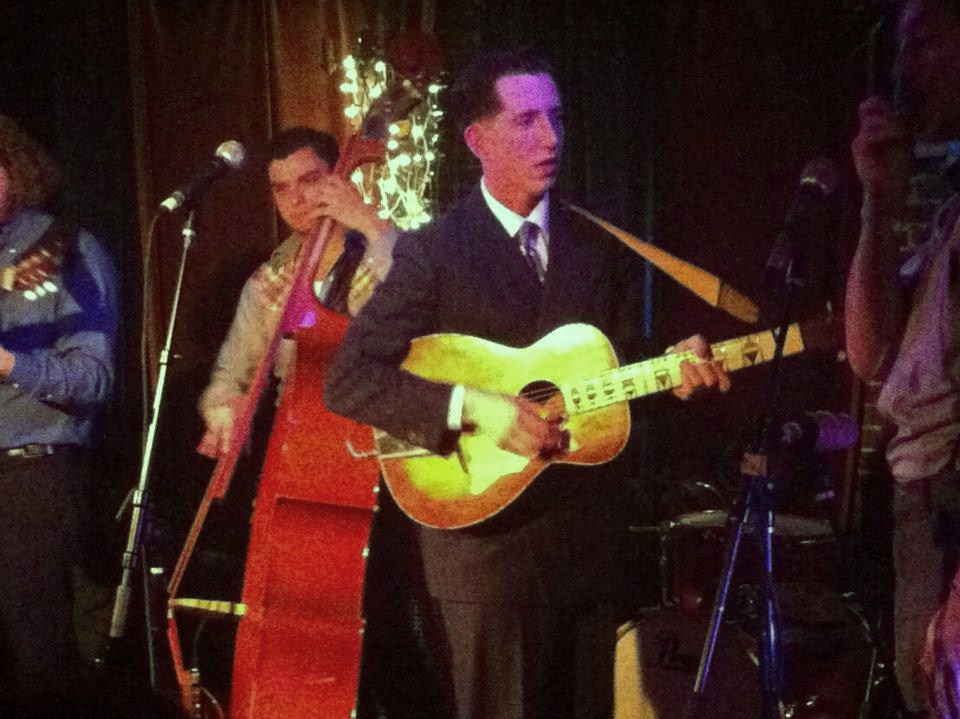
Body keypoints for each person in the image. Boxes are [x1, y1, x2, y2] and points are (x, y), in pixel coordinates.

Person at [323, 47, 730, 719]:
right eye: (527, 121)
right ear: (477, 140)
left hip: (585, 548)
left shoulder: (597, 244)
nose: (550, 138)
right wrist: (473, 406)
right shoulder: (434, 251)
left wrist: (671, 377)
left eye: (557, 118)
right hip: (485, 555)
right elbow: (350, 380)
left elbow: (613, 378)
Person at [845, 0, 960, 715]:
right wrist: (877, 205)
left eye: (922, 44)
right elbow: (870, 353)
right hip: (922, 494)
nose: (901, 69)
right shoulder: (945, 208)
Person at [0, 114, 117, 706]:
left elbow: (94, 380)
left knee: (39, 663)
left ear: (14, 171)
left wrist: (9, 364)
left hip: (33, 476)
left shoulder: (66, 249)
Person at [196, 127, 396, 458]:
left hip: (381, 443)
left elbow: (421, 300)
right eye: (281, 188)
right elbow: (231, 377)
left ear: (339, 179)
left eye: (309, 180)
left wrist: (370, 225)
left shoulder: (384, 249)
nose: (295, 200)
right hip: (300, 450)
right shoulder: (268, 282)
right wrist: (222, 407)